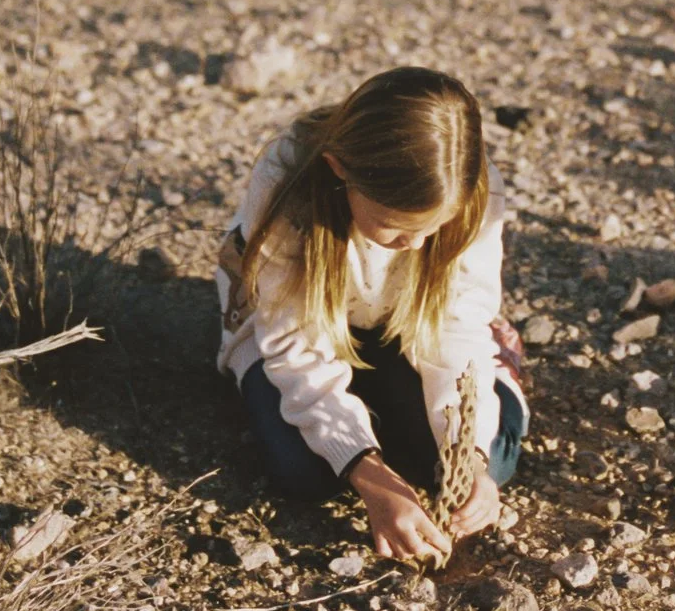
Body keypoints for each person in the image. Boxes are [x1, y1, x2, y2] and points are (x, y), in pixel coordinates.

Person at [215, 66, 526, 563]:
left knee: (491, 464)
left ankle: (498, 369)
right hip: (296, 328)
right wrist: (366, 469)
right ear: (341, 170)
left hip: (404, 327)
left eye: (431, 229)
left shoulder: (473, 193)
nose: (418, 246)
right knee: (302, 472)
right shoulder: (285, 185)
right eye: (394, 229)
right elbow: (295, 348)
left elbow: (455, 328)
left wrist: (470, 455)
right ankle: (369, 415)